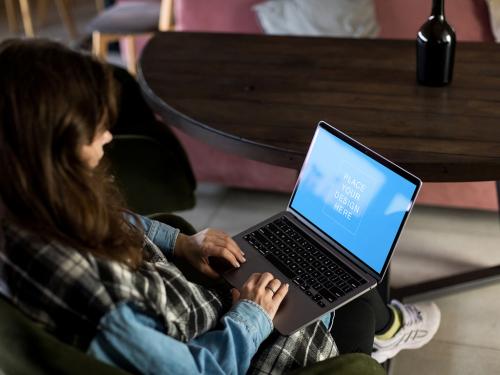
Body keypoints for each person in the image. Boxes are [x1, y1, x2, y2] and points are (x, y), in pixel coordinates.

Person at [0, 38, 440, 374]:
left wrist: (180, 243)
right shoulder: (98, 304)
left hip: (199, 297)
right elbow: (198, 370)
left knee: (336, 256)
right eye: (94, 130)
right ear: (51, 149)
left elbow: (115, 219)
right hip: (249, 345)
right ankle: (387, 331)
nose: (107, 138)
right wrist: (252, 314)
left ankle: (387, 326)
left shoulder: (23, 210)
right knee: (358, 263)